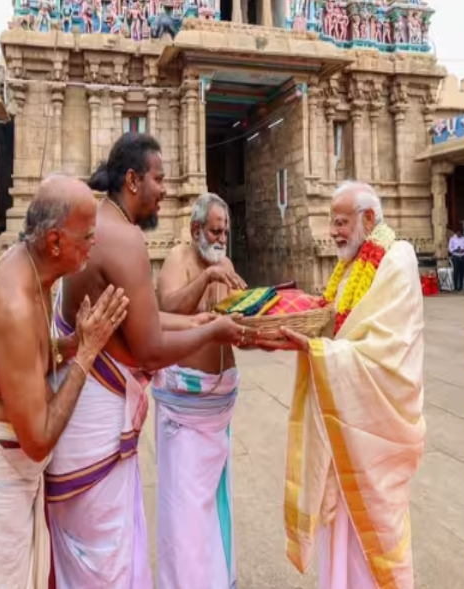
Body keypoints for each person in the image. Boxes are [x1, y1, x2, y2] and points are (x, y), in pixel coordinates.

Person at [49, 133, 259, 588]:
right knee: (106, 555)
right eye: (159, 179)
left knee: (91, 548)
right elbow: (147, 347)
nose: (165, 189)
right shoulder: (126, 240)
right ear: (132, 180)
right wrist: (214, 329)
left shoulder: (99, 224)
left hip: (84, 406)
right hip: (97, 412)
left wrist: (199, 321)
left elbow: (145, 319)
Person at [0, 174, 130, 589]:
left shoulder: (34, 270)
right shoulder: (16, 306)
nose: (94, 244)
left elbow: (34, 355)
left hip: (4, 480)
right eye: (87, 235)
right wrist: (88, 352)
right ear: (55, 242)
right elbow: (38, 439)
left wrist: (73, 341)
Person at [270, 180, 426, 589]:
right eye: (332, 222)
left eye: (341, 222)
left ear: (368, 219)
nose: (333, 231)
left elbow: (390, 354)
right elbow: (336, 323)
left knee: (376, 529)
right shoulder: (349, 267)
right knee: (339, 529)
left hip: (377, 427)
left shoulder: (397, 260)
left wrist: (322, 354)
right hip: (343, 419)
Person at [152, 192, 248, 589]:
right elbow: (167, 307)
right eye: (215, 230)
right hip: (186, 407)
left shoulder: (224, 260)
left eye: (225, 230)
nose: (222, 238)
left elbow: (234, 316)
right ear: (195, 230)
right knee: (185, 511)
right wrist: (205, 278)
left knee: (210, 504)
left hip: (218, 402)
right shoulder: (179, 258)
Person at [448, 227, 464, 291]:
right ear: (456, 233)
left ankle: (460, 286)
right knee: (456, 272)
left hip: (463, 257)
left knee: (462, 272)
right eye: (458, 233)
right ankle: (455, 286)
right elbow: (450, 248)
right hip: (456, 257)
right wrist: (455, 250)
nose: (459, 234)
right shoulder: (452, 239)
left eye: (460, 233)